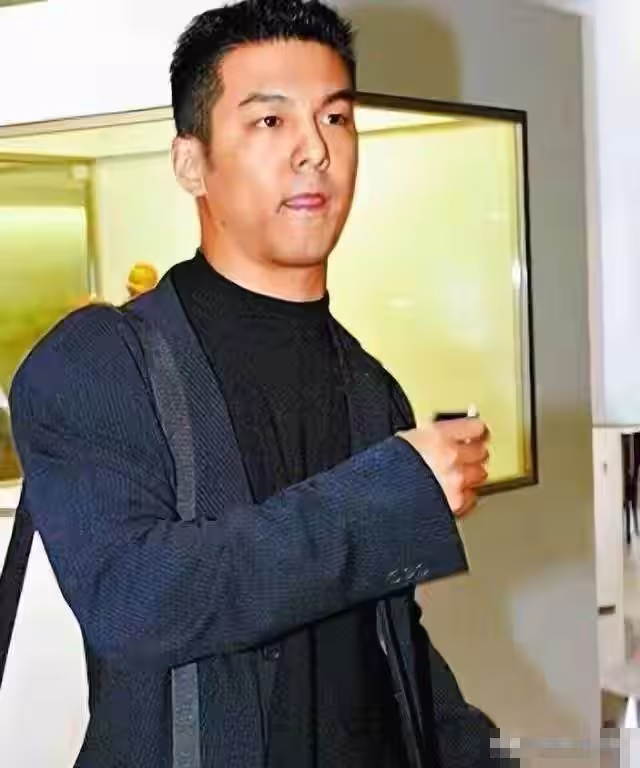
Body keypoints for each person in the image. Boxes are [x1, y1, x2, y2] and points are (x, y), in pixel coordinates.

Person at [8, 2, 503, 766]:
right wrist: (390, 493)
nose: (315, 151)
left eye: (335, 117)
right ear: (190, 163)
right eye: (271, 121)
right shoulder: (99, 363)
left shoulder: (370, 387)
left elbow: (377, 641)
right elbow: (137, 600)